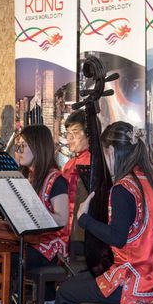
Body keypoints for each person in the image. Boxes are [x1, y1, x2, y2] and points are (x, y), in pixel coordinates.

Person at [46, 121, 153, 304]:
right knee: (84, 282)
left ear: (111, 151)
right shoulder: (150, 183)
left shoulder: (123, 188)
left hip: (134, 284)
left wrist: (85, 219)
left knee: (66, 293)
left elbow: (117, 237)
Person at [14, 124, 70, 304]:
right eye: (18, 145)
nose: (19, 150)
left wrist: (31, 209)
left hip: (49, 246)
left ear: (38, 147)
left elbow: (61, 218)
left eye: (23, 145)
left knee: (7, 258)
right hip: (29, 241)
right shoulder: (25, 176)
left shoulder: (56, 179)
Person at [60, 110, 91, 256]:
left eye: (75, 132)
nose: (69, 138)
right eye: (67, 133)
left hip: (81, 229)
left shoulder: (94, 161)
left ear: (88, 134)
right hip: (65, 224)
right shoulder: (69, 163)